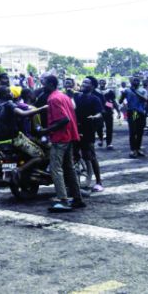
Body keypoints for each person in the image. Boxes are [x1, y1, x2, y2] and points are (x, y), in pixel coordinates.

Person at [40, 75, 85, 212]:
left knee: (56, 168)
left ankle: (63, 200)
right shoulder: (63, 96)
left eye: (45, 83)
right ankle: (77, 198)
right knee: (69, 168)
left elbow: (64, 119)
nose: (43, 86)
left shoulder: (53, 98)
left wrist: (46, 130)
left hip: (60, 138)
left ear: (51, 84)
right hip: (69, 136)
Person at [75, 79, 104, 192]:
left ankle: (98, 182)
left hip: (88, 130)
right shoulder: (77, 97)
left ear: (92, 86)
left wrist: (95, 117)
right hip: (76, 129)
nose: (83, 84)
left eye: (87, 83)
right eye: (83, 82)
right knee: (74, 155)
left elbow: (99, 112)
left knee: (90, 155)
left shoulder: (95, 99)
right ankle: (75, 182)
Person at [119, 75, 148, 158]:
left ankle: (138, 149)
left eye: (138, 80)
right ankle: (133, 150)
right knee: (133, 131)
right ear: (131, 82)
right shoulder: (127, 91)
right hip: (133, 113)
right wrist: (123, 95)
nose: (136, 82)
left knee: (140, 132)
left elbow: (145, 99)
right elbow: (120, 101)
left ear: (140, 82)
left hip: (141, 113)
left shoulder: (143, 90)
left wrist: (135, 92)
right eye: (134, 80)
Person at [96, 79, 117, 150]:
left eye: (103, 82)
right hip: (98, 112)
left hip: (108, 112)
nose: (102, 83)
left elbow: (113, 102)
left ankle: (109, 143)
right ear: (98, 83)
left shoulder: (110, 92)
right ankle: (101, 139)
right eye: (100, 82)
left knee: (109, 128)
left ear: (105, 83)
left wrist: (118, 111)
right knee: (98, 126)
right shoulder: (95, 92)